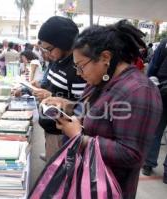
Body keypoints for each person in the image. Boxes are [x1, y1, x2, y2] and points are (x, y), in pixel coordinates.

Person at [42, 20, 163, 198]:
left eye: (81, 66)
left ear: (106, 57)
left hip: (106, 188)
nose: (78, 73)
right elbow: (95, 111)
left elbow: (132, 154)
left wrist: (79, 137)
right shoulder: (102, 81)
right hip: (83, 179)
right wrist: (69, 106)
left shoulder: (139, 91)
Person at [35, 16, 86, 162]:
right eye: (44, 49)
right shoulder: (57, 60)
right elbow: (50, 85)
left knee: (56, 172)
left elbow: (80, 108)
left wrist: (52, 96)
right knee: (51, 156)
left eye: (49, 49)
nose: (47, 53)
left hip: (61, 133)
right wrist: (41, 88)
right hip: (49, 126)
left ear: (63, 43)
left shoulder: (77, 69)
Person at [143, 38, 167, 184]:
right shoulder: (164, 44)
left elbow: (152, 69)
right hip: (163, 93)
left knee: (156, 131)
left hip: (162, 93)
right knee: (156, 131)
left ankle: (148, 164)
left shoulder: (165, 44)